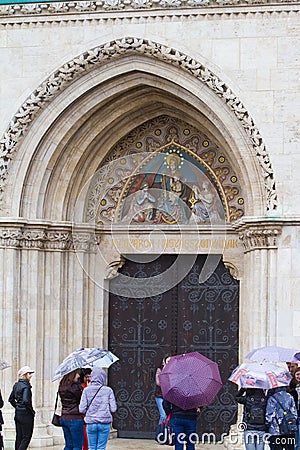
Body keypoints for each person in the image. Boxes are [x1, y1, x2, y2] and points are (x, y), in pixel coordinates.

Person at [79, 367, 117, 450]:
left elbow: (81, 409)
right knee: (101, 447)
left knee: (91, 447)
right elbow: (113, 408)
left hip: (91, 422)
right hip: (104, 422)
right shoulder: (108, 390)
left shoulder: (86, 390)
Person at [8, 365, 35, 450]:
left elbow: (11, 399)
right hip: (26, 415)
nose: (30, 375)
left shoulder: (16, 385)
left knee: (19, 436)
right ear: (25, 375)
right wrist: (31, 411)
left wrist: (17, 407)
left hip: (18, 414)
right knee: (26, 437)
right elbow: (26, 401)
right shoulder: (26, 386)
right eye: (29, 373)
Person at [58, 369, 84, 450]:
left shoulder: (61, 386)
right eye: (77, 374)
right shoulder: (74, 387)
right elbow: (81, 400)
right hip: (75, 418)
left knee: (68, 445)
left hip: (64, 417)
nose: (79, 376)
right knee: (77, 446)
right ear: (73, 374)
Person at [266, 386, 297, 450]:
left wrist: (267, 425)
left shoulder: (272, 398)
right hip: (289, 430)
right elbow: (294, 414)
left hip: (275, 431)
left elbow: (269, 416)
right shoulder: (290, 397)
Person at [155, 355, 170, 424]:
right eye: (168, 361)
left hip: (169, 396)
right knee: (163, 415)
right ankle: (160, 432)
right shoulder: (160, 370)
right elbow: (158, 382)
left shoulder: (173, 370)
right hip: (160, 395)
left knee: (169, 416)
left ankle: (166, 432)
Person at [289, 367, 300, 450]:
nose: (299, 376)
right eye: (297, 374)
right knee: (296, 439)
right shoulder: (292, 387)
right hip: (295, 415)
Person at [81, 369, 92, 450]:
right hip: (83, 416)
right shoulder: (81, 387)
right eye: (86, 377)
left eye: (89, 376)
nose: (88, 378)